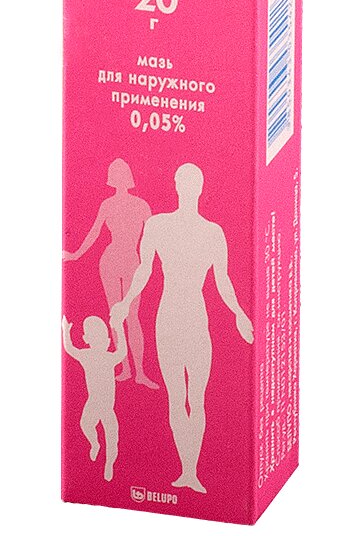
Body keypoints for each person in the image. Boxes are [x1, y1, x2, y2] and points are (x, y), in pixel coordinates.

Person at [111, 163, 253, 494]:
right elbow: (144, 270)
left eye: (192, 182)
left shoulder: (213, 232)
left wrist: (239, 314)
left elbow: (223, 280)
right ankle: (187, 470)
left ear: (199, 188)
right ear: (177, 186)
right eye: (184, 182)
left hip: (195, 320)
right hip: (169, 319)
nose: (188, 187)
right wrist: (126, 302)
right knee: (178, 397)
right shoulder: (158, 225)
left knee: (196, 398)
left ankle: (192, 470)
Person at [63, 159, 158, 388]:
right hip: (112, 262)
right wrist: (76, 254)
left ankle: (139, 371)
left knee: (131, 316)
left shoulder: (141, 206)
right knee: (117, 317)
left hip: (132, 262)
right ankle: (126, 368)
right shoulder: (110, 205)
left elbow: (153, 237)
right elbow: (94, 233)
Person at [62, 314, 126, 482]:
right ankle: (95, 443)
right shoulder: (86, 356)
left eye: (103, 336)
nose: (100, 340)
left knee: (112, 437)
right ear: (86, 339)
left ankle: (109, 463)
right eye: (94, 336)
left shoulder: (109, 358)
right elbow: (70, 349)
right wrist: (65, 331)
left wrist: (120, 329)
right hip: (93, 403)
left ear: (108, 340)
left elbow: (122, 352)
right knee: (85, 424)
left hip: (107, 407)